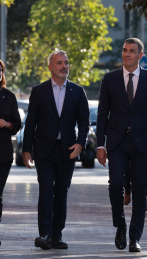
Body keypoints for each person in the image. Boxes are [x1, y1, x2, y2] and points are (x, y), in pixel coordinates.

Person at [96, 37, 147, 252]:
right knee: (116, 185)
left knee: (140, 190)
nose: (127, 54)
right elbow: (102, 114)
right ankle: (120, 225)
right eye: (124, 50)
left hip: (143, 143)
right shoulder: (109, 79)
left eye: (132, 51)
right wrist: (100, 144)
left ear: (140, 55)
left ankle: (135, 237)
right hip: (117, 142)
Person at [22, 50, 90, 250]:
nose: (64, 66)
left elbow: (84, 122)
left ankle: (56, 236)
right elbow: (31, 122)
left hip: (67, 150)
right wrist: (26, 150)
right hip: (44, 150)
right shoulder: (39, 91)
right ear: (50, 67)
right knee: (46, 190)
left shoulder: (77, 91)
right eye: (59, 63)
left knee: (61, 192)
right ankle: (44, 233)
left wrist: (80, 143)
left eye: (66, 63)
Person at [0, 60, 21, 235]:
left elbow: (17, 123)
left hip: (3, 154)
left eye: (0, 70)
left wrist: (7, 124)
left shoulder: (9, 96)